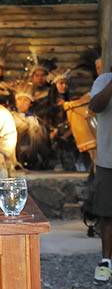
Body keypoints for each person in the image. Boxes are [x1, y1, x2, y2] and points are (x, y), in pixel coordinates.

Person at [89, 71, 112, 285]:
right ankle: (106, 262)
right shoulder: (103, 81)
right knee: (107, 214)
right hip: (108, 160)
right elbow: (95, 106)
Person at [10, 81, 50, 171]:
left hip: (33, 160)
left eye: (26, 100)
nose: (22, 103)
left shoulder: (36, 120)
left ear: (30, 103)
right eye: (19, 99)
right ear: (15, 101)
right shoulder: (9, 117)